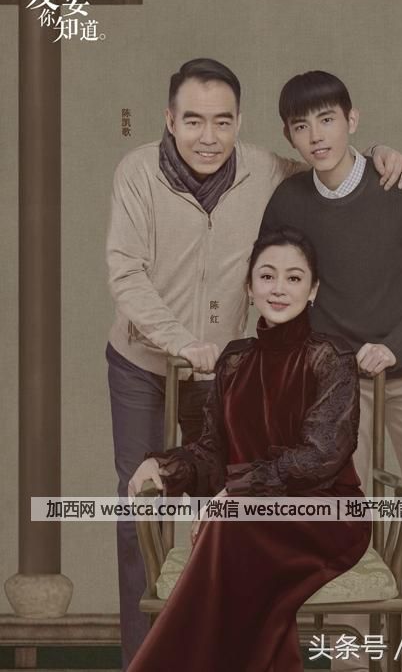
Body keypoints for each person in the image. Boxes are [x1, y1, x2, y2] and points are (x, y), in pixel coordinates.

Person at [105, 57, 402, 669]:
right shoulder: (136, 171)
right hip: (145, 358)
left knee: (225, 508)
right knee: (139, 508)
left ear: (240, 122)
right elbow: (126, 273)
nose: (209, 137)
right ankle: (143, 656)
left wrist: (376, 152)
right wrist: (180, 345)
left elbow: (327, 163)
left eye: (223, 122)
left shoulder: (266, 169)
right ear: (170, 119)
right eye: (193, 121)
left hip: (222, 360)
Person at [259, 70, 402, 670]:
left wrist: (395, 347)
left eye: (327, 120)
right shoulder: (289, 201)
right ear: (289, 137)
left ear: (352, 119)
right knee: (343, 510)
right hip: (334, 383)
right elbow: (278, 288)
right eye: (301, 126)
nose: (316, 136)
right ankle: (352, 656)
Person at [126, 228, 371, 672]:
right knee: (232, 529)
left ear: (313, 290)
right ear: (249, 286)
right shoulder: (235, 361)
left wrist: (239, 491)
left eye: (294, 278)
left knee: (228, 528)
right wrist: (164, 466)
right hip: (247, 518)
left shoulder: (331, 358)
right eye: (267, 276)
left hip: (324, 515)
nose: (279, 288)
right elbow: (212, 451)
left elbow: (320, 457)